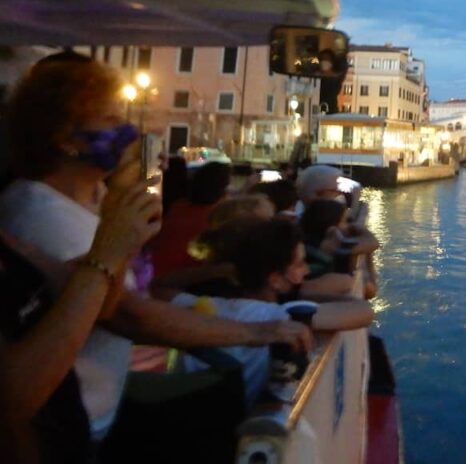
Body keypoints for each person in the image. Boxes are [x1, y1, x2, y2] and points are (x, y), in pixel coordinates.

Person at [0, 55, 311, 442]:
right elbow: (123, 312)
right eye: (111, 120)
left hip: (99, 408)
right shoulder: (39, 212)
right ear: (65, 138)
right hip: (72, 428)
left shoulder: (98, 199)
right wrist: (256, 332)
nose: (128, 130)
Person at [1, 169, 160, 463]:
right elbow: (13, 398)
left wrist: (120, 236)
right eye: (109, 120)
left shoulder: (10, 239)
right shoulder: (34, 207)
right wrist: (107, 252)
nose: (123, 132)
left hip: (74, 432)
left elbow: (104, 305)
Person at [164, 220, 373, 405]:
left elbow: (159, 286)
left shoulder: (202, 306)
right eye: (299, 264)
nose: (307, 271)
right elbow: (363, 311)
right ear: (274, 280)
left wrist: (221, 270)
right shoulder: (275, 319)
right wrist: (304, 293)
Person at [149, 161, 231, 278]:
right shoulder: (217, 217)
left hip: (151, 271)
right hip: (173, 278)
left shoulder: (178, 206)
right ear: (223, 190)